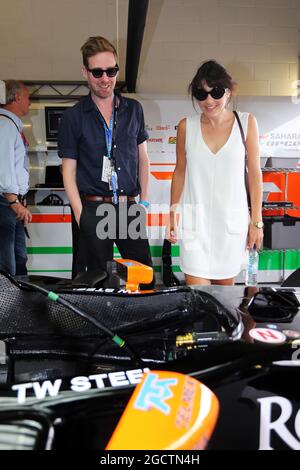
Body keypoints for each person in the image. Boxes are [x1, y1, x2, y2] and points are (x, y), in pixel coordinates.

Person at [58, 36, 153, 286]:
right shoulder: (73, 117)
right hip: (94, 209)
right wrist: (81, 216)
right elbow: (68, 171)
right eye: (97, 72)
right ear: (85, 72)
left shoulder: (134, 110)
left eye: (111, 71)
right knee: (96, 285)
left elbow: (143, 159)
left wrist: (143, 202)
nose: (105, 78)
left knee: (144, 279)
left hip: (128, 208)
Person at [167, 60, 263, 286]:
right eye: (201, 94)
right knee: (201, 302)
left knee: (223, 304)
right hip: (195, 227)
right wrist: (172, 215)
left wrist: (256, 222)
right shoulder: (185, 127)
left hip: (231, 225)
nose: (209, 101)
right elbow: (179, 172)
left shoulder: (247, 123)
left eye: (216, 92)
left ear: (229, 92)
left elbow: (255, 174)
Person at [0, 80, 32, 275]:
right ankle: (6, 304)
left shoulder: (11, 125)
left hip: (10, 202)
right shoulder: (5, 125)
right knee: (7, 263)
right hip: (5, 202)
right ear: (17, 97)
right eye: (28, 97)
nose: (29, 102)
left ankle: (20, 303)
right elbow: (3, 165)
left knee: (19, 259)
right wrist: (13, 201)